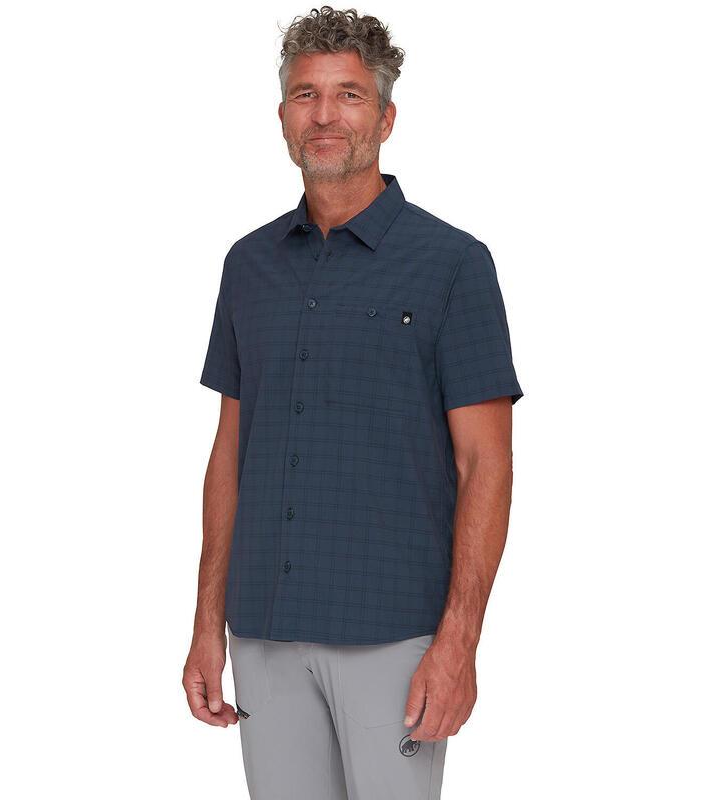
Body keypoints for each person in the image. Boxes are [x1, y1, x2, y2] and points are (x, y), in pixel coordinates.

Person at [182, 6, 523, 798]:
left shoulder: (453, 264)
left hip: (393, 635)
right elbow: (230, 451)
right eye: (306, 95)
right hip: (263, 630)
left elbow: (486, 464)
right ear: (282, 116)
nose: (325, 115)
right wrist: (206, 624)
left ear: (386, 117)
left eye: (349, 95)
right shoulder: (247, 266)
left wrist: (459, 643)